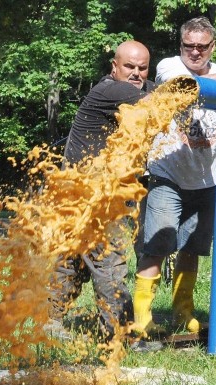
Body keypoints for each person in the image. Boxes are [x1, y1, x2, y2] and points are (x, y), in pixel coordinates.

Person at [131, 17, 216, 337]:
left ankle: (183, 312)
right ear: (180, 45)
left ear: (212, 46)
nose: (195, 52)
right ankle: (141, 316)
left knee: (192, 249)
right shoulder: (169, 67)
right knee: (157, 244)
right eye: (189, 46)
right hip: (167, 174)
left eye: (202, 46)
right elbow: (185, 86)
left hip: (207, 180)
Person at [47, 40, 156, 340]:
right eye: (129, 67)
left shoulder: (137, 90)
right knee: (108, 260)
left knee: (72, 259)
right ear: (114, 67)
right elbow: (159, 101)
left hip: (79, 192)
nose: (136, 73)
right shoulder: (112, 90)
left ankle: (50, 321)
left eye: (142, 68)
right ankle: (120, 337)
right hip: (89, 193)